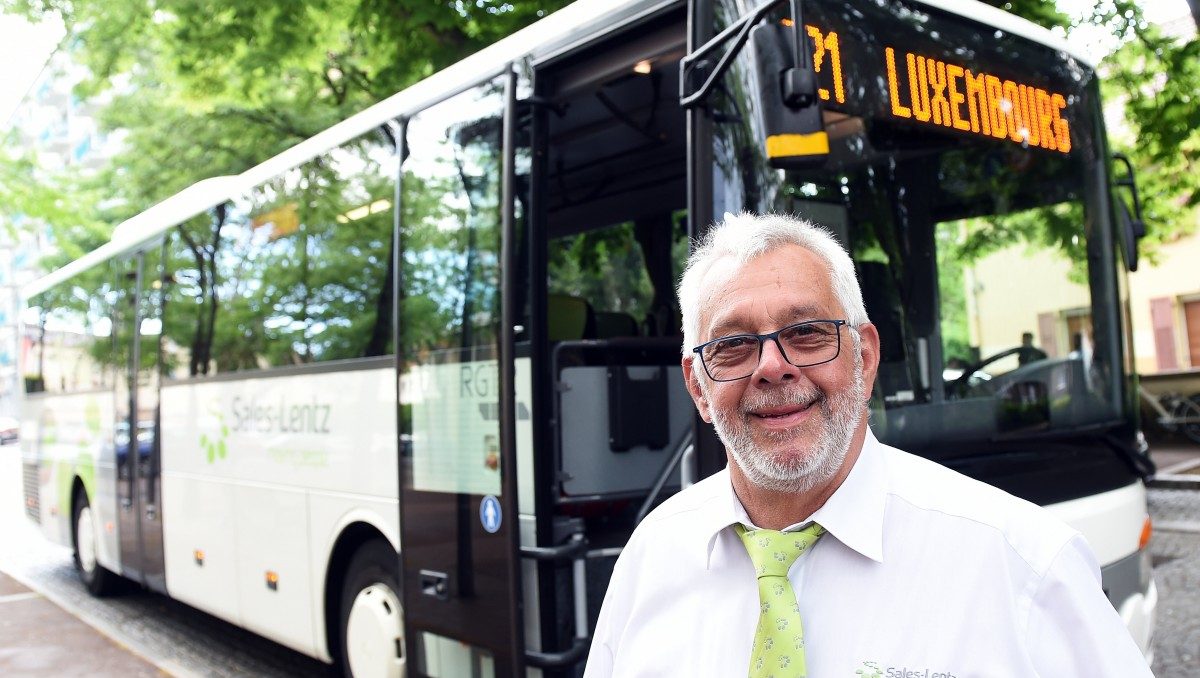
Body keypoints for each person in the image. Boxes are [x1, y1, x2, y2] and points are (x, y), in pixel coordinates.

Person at [583, 213, 1151, 677]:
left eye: (806, 334)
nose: (773, 368)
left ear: (866, 356)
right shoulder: (651, 558)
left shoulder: (1024, 566)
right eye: (733, 345)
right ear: (698, 387)